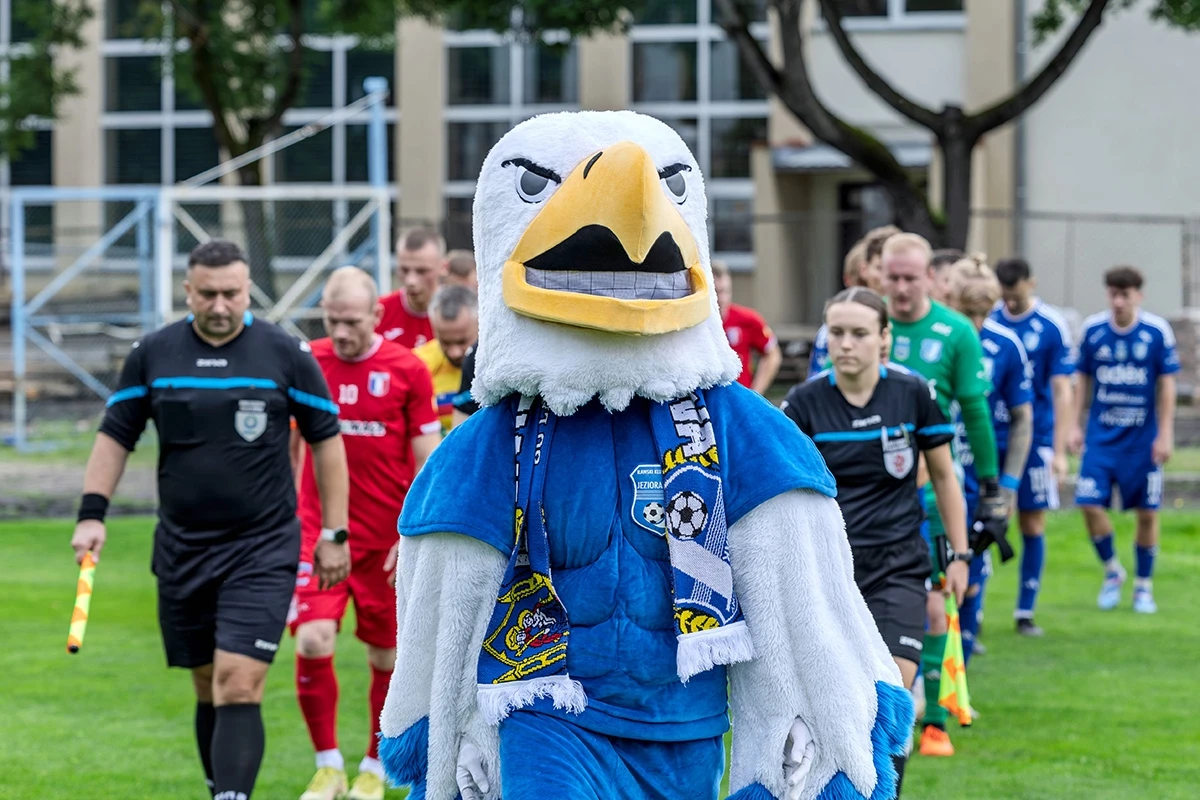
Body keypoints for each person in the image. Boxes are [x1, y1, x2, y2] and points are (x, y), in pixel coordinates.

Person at [70, 240, 350, 800]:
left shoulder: (285, 353)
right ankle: (219, 787)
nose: (220, 305)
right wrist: (91, 515)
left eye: (232, 293)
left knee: (237, 682)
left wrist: (333, 533)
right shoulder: (153, 354)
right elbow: (116, 435)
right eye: (208, 294)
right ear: (188, 291)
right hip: (183, 549)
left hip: (262, 549)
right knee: (207, 684)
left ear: (247, 290)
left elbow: (326, 442)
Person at [781, 287, 969, 792]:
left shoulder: (912, 393)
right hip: (830, 572)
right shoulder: (803, 403)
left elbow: (945, 477)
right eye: (837, 333)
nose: (846, 344)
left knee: (892, 689)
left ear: (884, 338)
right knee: (836, 703)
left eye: (859, 333)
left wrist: (959, 554)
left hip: (899, 566)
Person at [289, 268, 442, 800]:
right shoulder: (307, 362)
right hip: (318, 533)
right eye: (332, 320)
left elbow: (426, 459)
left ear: (377, 315)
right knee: (313, 638)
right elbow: (291, 444)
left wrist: (412, 531)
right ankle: (328, 767)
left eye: (351, 321)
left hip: (384, 543)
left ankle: (374, 769)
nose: (340, 332)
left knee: (385, 658)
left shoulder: (407, 370)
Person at [882, 232, 1005, 758]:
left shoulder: (955, 332)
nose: (901, 288)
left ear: (931, 277)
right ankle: (884, 708)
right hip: (872, 499)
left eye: (911, 278)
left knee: (937, 603)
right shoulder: (866, 325)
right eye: (893, 277)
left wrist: (992, 489)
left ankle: (933, 720)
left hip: (932, 493)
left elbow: (975, 412)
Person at [1070, 266, 1178, 614]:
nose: (1118, 301)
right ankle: (1113, 570)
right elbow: (1082, 379)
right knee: (1088, 503)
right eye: (1113, 294)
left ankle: (1143, 586)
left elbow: (1167, 385)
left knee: (1147, 513)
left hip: (1142, 441)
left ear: (1138, 296)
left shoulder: (1156, 332)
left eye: (1125, 295)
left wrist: (1165, 434)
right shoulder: (1093, 330)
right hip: (1101, 438)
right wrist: (1074, 425)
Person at [948, 258, 1034, 652]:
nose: (977, 323)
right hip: (932, 479)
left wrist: (1008, 486)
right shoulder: (935, 340)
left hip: (979, 480)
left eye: (985, 313)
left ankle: (960, 666)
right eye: (969, 313)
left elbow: (1023, 418)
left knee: (972, 572)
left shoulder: (1006, 345)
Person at [992, 257, 1077, 634]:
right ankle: (972, 612)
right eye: (1005, 295)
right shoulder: (989, 319)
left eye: (1016, 294)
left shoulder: (1051, 326)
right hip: (992, 435)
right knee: (987, 519)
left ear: (1032, 283)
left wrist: (1058, 451)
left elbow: (1061, 390)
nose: (1010, 302)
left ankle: (1025, 611)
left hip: (1036, 437)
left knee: (1031, 520)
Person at [809, 225, 900, 377]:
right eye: (881, 268)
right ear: (864, 270)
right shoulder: (832, 327)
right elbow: (817, 382)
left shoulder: (933, 322)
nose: (889, 278)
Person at [413, 285, 479, 435]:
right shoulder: (418, 364)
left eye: (462, 341)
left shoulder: (495, 367)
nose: (454, 352)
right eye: (445, 342)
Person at [712, 259, 781, 393]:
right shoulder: (696, 324)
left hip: (739, 399)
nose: (722, 299)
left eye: (725, 291)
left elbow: (772, 354)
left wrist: (755, 393)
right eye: (716, 292)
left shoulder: (748, 319)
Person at [377, 227, 447, 349]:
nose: (411, 281)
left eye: (422, 271)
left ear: (443, 267)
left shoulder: (463, 313)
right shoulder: (379, 312)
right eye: (404, 270)